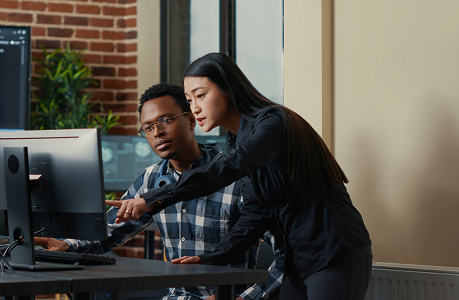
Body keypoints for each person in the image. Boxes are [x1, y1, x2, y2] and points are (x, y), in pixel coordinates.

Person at [111, 53, 372, 300]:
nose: (195, 108)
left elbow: (228, 169)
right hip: (297, 261)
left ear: (228, 89)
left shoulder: (273, 122)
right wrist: (212, 258)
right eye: (190, 101)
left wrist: (153, 198)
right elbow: (257, 212)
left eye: (201, 95)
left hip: (333, 253)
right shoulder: (236, 141)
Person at [35, 83, 283, 300]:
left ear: (190, 119)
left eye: (165, 120)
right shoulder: (151, 179)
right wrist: (65, 245)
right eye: (148, 127)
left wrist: (244, 298)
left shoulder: (237, 177)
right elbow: (107, 234)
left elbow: (285, 255)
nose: (157, 133)